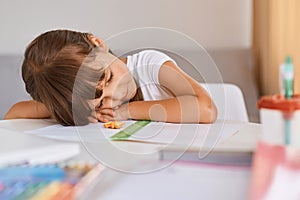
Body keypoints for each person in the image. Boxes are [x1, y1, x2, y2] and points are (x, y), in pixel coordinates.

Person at [4, 29, 217, 126]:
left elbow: (206, 109)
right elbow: (14, 114)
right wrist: (71, 108)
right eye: (101, 101)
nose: (115, 96)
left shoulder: (150, 65)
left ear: (98, 44)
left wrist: (125, 111)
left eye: (108, 78)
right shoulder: (81, 104)